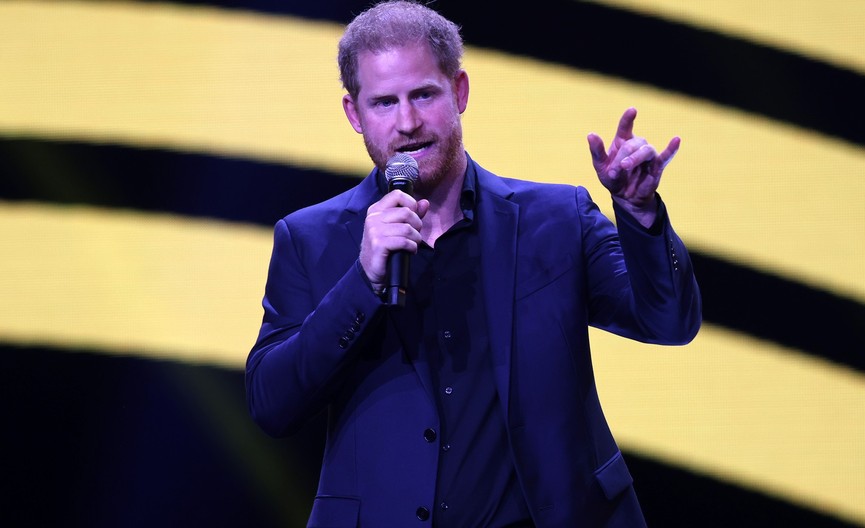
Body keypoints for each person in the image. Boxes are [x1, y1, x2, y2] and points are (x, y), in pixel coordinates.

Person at [245, 1, 701, 526]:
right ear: (354, 114)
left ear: (459, 92)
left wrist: (639, 214)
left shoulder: (556, 219)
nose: (408, 122)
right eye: (384, 103)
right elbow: (271, 405)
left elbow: (668, 323)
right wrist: (362, 283)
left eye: (424, 94)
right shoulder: (310, 238)